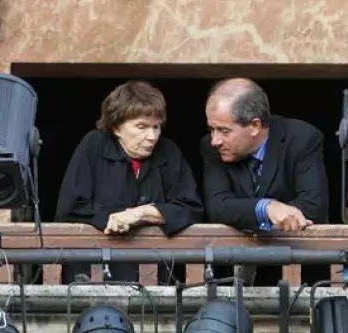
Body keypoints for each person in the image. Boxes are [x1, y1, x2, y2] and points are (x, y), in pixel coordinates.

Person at [55, 80, 203, 284]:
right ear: (116, 127)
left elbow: (191, 208)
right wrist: (113, 219)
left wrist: (140, 214)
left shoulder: (169, 152)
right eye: (141, 127)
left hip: (154, 279)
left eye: (156, 127)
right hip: (94, 276)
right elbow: (70, 207)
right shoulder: (94, 146)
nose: (152, 136)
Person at [200, 78, 330, 286]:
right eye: (212, 129)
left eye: (224, 131)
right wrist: (267, 208)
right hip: (232, 281)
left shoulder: (302, 138)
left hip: (297, 279)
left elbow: (313, 207)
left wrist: (248, 217)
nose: (215, 140)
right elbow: (217, 206)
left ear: (254, 126)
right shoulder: (211, 148)